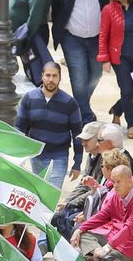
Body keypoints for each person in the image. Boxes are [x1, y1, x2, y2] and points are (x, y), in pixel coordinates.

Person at [16, 60, 83, 188]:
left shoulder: (70, 103)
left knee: (51, 194)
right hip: (36, 156)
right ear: (42, 76)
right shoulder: (29, 99)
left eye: (55, 76)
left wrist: (77, 163)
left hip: (59, 156)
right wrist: (18, 155)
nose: (51, 79)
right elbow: (19, 128)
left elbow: (77, 135)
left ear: (59, 78)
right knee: (39, 195)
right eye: (48, 75)